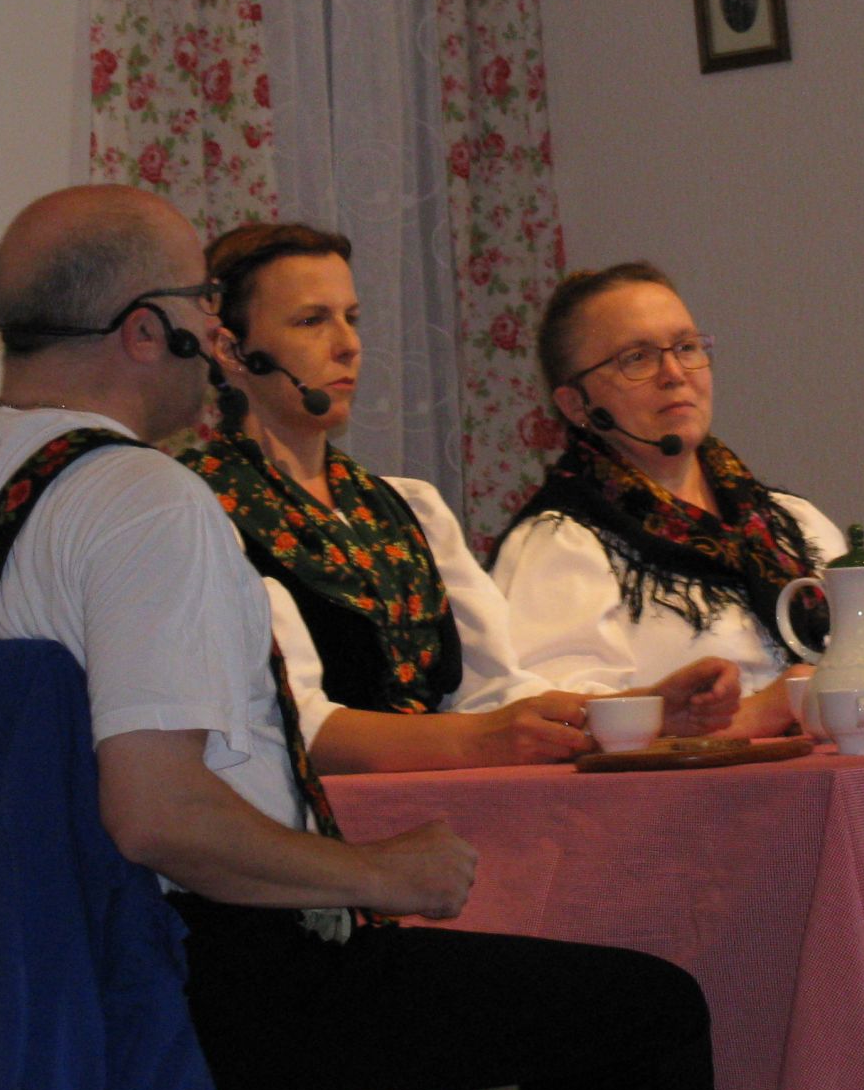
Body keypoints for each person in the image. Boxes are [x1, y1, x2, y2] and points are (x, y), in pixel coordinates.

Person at [0, 186, 722, 1090]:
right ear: (148, 330)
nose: (219, 335)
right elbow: (157, 813)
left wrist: (3, 895)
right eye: (204, 306)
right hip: (191, 990)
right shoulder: (143, 500)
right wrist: (377, 874)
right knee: (651, 1011)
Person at [180, 222, 740, 775]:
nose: (348, 345)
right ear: (231, 350)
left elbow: (499, 691)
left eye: (351, 318)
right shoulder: (200, 513)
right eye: (311, 321)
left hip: (440, 811)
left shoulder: (405, 508)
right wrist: (477, 740)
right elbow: (286, 721)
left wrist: (643, 713)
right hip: (307, 823)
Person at [491, 262, 844, 742]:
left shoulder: (793, 524)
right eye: (636, 358)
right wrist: (758, 713)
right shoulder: (561, 545)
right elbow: (553, 726)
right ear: (576, 405)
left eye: (686, 348)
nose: (674, 373)